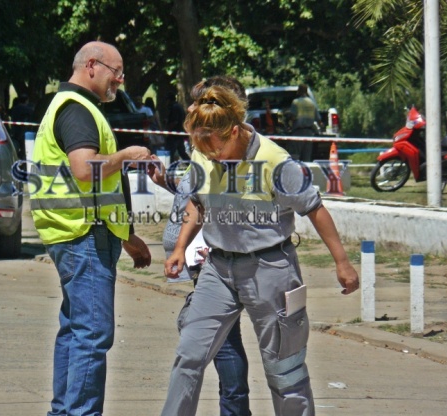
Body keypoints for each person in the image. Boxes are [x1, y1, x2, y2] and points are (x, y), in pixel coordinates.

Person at [161, 85, 360, 416]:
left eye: (217, 147)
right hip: (219, 268)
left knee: (285, 371)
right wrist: (180, 247)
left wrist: (342, 262)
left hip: (270, 270)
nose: (210, 155)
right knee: (189, 356)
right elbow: (198, 203)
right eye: (202, 148)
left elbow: (314, 208)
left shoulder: (274, 161)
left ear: (235, 131)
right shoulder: (202, 150)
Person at [29, 41, 152, 416]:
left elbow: (95, 186)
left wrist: (127, 237)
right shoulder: (76, 109)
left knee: (76, 330)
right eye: (117, 71)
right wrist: (127, 155)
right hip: (83, 236)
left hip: (80, 233)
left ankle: (64, 412)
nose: (121, 80)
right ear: (93, 66)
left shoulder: (72, 107)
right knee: (92, 334)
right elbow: (85, 170)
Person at [149, 76, 252, 415]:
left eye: (199, 100)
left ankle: (235, 410)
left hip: (215, 257)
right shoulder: (203, 144)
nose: (192, 106)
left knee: (223, 344)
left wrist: (219, 242)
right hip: (201, 256)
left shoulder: (230, 148)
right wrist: (165, 181)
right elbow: (194, 196)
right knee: (220, 340)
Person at [285, 83, 323, 162]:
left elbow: (293, 117)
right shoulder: (312, 103)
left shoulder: (296, 102)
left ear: (299, 91)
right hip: (309, 133)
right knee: (307, 157)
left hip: (298, 132)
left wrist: (287, 120)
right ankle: (306, 173)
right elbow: (318, 119)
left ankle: (295, 173)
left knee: (295, 156)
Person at [165, 91, 190, 162]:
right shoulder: (179, 107)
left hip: (174, 134)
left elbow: (174, 121)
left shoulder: (174, 108)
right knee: (182, 152)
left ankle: (170, 167)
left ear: (169, 100)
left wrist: (168, 129)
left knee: (170, 152)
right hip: (180, 133)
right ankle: (191, 166)